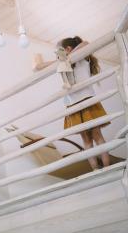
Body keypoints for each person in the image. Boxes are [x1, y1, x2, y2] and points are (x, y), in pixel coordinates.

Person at [34, 36, 110, 170]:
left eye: (59, 50)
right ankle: (95, 170)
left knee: (97, 136)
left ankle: (107, 166)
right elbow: (38, 67)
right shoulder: (62, 63)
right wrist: (59, 59)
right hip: (73, 105)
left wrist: (69, 54)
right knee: (86, 140)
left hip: (88, 100)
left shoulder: (81, 58)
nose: (57, 53)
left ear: (68, 49)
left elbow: (86, 43)